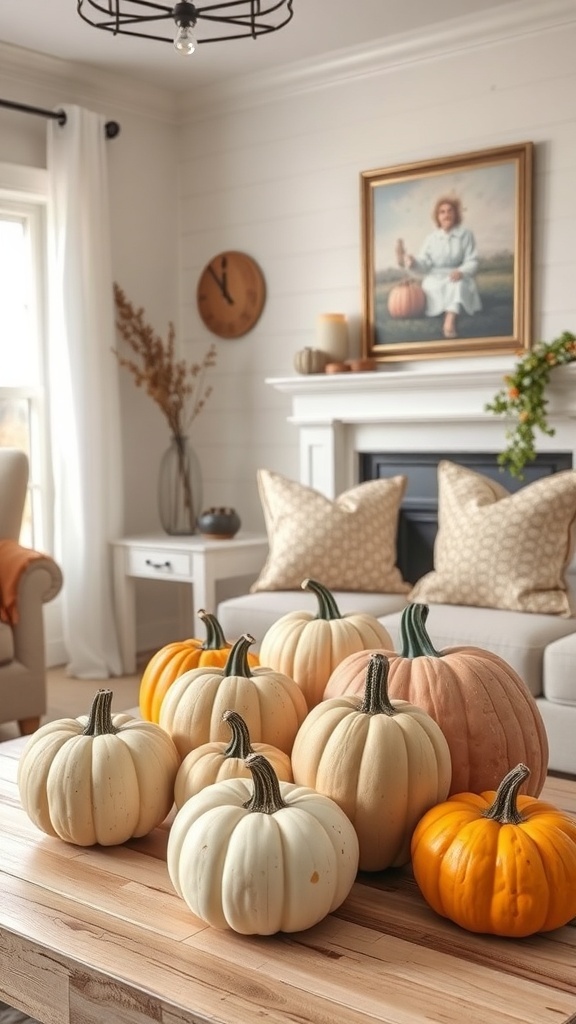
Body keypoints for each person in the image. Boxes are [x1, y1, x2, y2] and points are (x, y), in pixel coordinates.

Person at [402, 196, 482, 339]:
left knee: (456, 284)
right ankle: (439, 310)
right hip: (435, 276)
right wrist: (413, 262)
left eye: (450, 211)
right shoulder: (431, 238)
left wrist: (461, 271)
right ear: (437, 217)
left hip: (456, 274)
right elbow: (425, 263)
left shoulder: (465, 235)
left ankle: (450, 318)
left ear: (456, 214)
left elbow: (472, 260)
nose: (446, 215)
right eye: (442, 212)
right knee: (431, 284)